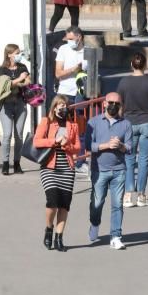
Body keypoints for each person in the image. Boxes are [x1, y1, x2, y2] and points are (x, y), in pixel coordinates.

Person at [33, 96, 82, 252]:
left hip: (67, 168)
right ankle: (49, 228)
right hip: (49, 167)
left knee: (64, 206)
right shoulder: (46, 122)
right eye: (60, 105)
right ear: (54, 108)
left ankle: (59, 237)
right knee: (52, 201)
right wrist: (55, 141)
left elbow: (77, 148)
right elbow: (37, 141)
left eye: (65, 105)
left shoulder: (72, 125)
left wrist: (67, 143)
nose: (63, 108)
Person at [85, 92, 132, 250]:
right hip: (100, 170)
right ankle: (95, 223)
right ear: (104, 103)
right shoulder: (94, 122)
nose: (113, 106)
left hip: (119, 170)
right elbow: (88, 146)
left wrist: (120, 146)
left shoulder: (126, 124)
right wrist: (106, 145)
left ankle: (116, 236)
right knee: (97, 203)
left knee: (117, 204)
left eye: (117, 104)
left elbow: (130, 148)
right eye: (111, 102)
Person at [116, 52, 148, 208]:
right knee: (144, 160)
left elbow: (119, 105)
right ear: (145, 65)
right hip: (147, 122)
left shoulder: (124, 82)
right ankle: (141, 195)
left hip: (129, 123)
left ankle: (127, 196)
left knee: (128, 160)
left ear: (132, 65)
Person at [0, 44, 31, 176]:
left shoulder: (23, 67)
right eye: (17, 52)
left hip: (21, 104)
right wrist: (20, 79)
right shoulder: (2, 69)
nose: (19, 55)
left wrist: (16, 82)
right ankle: (5, 164)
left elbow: (27, 82)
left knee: (19, 135)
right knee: (7, 135)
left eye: (19, 52)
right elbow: (4, 84)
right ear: (9, 54)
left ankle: (17, 163)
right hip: (6, 105)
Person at [53, 26, 87, 104]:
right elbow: (58, 74)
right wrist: (73, 70)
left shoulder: (89, 51)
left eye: (71, 39)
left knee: (81, 116)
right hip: (65, 93)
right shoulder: (63, 49)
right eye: (68, 39)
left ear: (79, 37)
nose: (69, 41)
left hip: (82, 94)